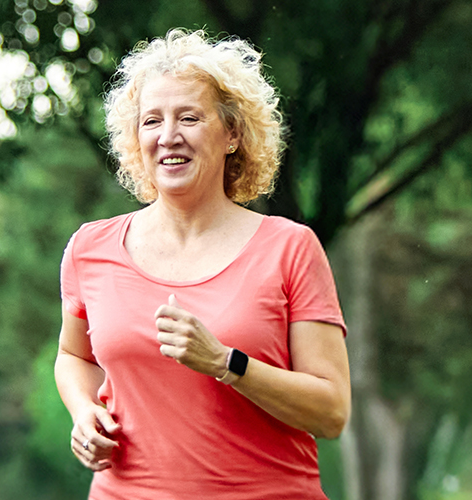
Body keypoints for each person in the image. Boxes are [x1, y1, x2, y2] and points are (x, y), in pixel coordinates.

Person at [54, 29, 351, 499]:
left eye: (189, 118)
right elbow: (74, 356)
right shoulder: (91, 247)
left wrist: (225, 362)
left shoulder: (290, 248)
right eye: (152, 121)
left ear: (232, 133)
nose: (169, 136)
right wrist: (83, 412)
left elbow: (331, 412)